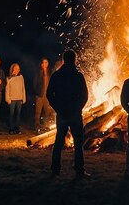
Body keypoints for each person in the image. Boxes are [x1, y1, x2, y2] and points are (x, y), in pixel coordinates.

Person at [47, 50, 90, 178]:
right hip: (75, 114)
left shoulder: (57, 75)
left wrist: (58, 108)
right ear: (75, 60)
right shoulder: (78, 76)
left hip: (62, 114)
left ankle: (55, 169)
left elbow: (49, 94)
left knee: (59, 141)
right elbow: (85, 96)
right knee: (78, 142)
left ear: (64, 59)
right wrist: (78, 108)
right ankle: (79, 170)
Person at [33, 58, 55, 134]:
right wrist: (37, 93)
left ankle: (47, 126)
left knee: (48, 112)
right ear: (41, 64)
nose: (45, 64)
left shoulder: (49, 72)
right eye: (44, 62)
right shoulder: (38, 72)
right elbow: (35, 84)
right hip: (40, 95)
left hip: (47, 96)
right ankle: (36, 127)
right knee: (38, 112)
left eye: (46, 62)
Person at [6, 63, 26, 134]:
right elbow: (7, 89)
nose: (17, 70)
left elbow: (23, 87)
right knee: (11, 113)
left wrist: (23, 98)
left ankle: (17, 128)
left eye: (18, 68)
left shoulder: (21, 77)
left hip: (19, 98)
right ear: (12, 69)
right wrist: (7, 98)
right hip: (12, 98)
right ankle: (11, 128)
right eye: (16, 68)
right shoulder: (9, 78)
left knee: (18, 113)